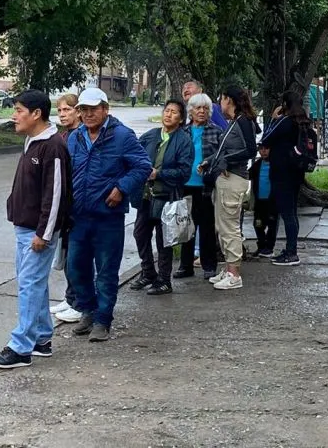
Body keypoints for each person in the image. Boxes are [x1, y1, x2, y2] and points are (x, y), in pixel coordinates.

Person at [0, 90, 73, 369]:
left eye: (19, 110)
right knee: (34, 284)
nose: (14, 116)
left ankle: (20, 347)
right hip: (25, 228)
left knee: (29, 286)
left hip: (38, 233)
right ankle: (42, 338)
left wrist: (44, 234)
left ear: (36, 114)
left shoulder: (53, 147)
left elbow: (55, 195)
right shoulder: (32, 140)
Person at [65, 88, 152, 342]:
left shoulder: (122, 135)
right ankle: (88, 310)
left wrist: (121, 188)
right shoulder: (75, 137)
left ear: (105, 109)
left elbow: (143, 166)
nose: (88, 114)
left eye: (93, 109)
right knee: (76, 268)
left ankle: (103, 320)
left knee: (106, 271)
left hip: (108, 216)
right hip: (78, 216)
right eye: (84, 110)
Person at [130, 99, 194, 295]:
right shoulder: (150, 135)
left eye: (174, 112)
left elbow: (184, 172)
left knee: (164, 239)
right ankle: (148, 272)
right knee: (140, 233)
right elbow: (135, 156)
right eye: (167, 110)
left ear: (181, 119)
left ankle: (164, 280)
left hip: (167, 196)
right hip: (146, 195)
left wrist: (160, 174)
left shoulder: (183, 140)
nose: (168, 114)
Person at [207, 85, 258, 290]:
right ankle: (228, 267)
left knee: (230, 227)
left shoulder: (244, 121)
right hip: (225, 178)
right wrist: (210, 162)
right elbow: (224, 149)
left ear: (229, 100)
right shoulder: (234, 122)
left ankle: (234, 274)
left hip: (234, 179)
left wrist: (226, 161)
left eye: (221, 99)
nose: (219, 103)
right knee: (222, 226)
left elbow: (250, 149)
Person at [177, 93, 224, 279]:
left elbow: (221, 157)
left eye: (205, 108)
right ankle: (185, 265)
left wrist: (209, 166)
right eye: (198, 108)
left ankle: (209, 266)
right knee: (186, 227)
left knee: (206, 228)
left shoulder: (216, 131)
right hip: (185, 185)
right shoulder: (182, 132)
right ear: (191, 111)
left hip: (206, 187)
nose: (202, 111)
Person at [260, 90, 310, 266]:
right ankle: (291, 248)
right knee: (292, 213)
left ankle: (291, 252)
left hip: (282, 173)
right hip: (296, 172)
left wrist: (274, 119)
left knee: (287, 214)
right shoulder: (303, 122)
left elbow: (266, 139)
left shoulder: (285, 121)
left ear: (285, 105)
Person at [50, 93, 84, 324]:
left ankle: (79, 302)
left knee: (77, 258)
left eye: (67, 110)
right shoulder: (64, 135)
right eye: (60, 110)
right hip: (65, 205)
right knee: (65, 253)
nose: (62, 114)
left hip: (78, 204)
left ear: (78, 111)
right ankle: (70, 297)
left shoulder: (81, 135)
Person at [249, 145, 277, 258]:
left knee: (272, 224)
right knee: (258, 224)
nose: (263, 151)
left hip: (272, 201)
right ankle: (261, 245)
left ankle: (269, 248)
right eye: (261, 149)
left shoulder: (275, 164)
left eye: (266, 148)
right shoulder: (257, 165)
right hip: (259, 202)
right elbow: (248, 175)